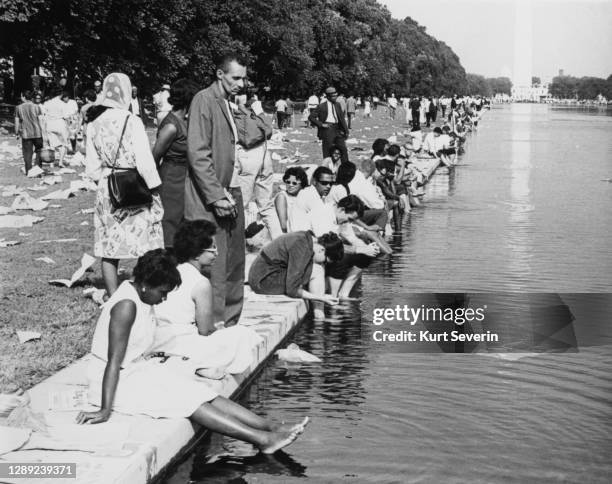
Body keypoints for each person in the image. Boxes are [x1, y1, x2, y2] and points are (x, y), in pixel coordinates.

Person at [77, 249, 307, 454]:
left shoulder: (142, 296)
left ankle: (269, 427)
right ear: (146, 283)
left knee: (198, 390)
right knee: (185, 400)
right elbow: (113, 363)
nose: (164, 298)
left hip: (135, 371)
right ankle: (262, 439)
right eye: (163, 292)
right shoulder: (126, 306)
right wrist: (104, 409)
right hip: (114, 381)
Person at [84, 73, 164, 297]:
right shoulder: (132, 120)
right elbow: (144, 161)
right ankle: (142, 288)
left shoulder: (94, 122)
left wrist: (104, 179)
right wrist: (154, 187)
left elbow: (91, 166)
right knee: (144, 241)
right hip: (133, 185)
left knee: (109, 245)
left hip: (108, 187)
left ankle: (112, 294)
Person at [151, 221, 263, 374]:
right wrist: (217, 329)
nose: (216, 253)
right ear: (197, 254)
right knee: (243, 334)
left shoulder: (171, 271)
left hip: (158, 340)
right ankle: (200, 366)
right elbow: (204, 331)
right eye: (213, 249)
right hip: (182, 343)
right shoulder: (201, 283)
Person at [185, 53, 247, 326]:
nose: (241, 83)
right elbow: (198, 154)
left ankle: (232, 318)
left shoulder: (228, 103)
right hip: (213, 195)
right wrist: (215, 195)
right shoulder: (204, 100)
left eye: (244, 78)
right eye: (236, 78)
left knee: (235, 260)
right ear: (219, 74)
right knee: (216, 260)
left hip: (231, 191)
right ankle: (216, 321)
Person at [249, 231, 342, 319]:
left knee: (315, 269)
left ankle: (319, 315)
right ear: (322, 250)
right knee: (318, 270)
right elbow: (292, 290)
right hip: (263, 281)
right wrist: (322, 298)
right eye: (325, 261)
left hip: (262, 274)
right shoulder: (302, 248)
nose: (322, 264)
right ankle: (319, 316)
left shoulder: (305, 238)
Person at [152, 79, 199, 248]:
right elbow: (154, 157)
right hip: (172, 177)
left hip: (184, 176)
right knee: (171, 221)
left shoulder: (184, 121)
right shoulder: (171, 126)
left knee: (183, 221)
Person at [232, 93, 277, 238]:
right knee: (266, 205)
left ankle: (237, 243)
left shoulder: (232, 110)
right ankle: (278, 238)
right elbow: (269, 130)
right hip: (264, 154)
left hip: (246, 155)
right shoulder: (257, 112)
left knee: (241, 203)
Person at [309, 86, 349, 163]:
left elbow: (341, 118)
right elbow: (311, 117)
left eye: (336, 95)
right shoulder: (321, 106)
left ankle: (345, 168)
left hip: (338, 129)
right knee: (328, 151)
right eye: (333, 96)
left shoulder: (338, 104)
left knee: (343, 149)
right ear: (328, 96)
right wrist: (321, 124)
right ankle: (328, 169)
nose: (335, 97)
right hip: (328, 130)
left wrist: (346, 131)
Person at [14, 90, 43, 175]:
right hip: (37, 132)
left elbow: (17, 122)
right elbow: (41, 121)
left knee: (27, 153)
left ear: (23, 97)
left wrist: (17, 133)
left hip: (26, 134)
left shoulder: (18, 108)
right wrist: (44, 133)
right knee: (39, 151)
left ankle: (29, 171)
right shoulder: (37, 107)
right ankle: (37, 168)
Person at [274, 167, 308, 234]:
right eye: (288, 182)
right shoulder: (282, 197)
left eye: (294, 183)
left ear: (302, 185)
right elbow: (284, 226)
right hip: (287, 235)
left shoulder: (303, 196)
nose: (290, 185)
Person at [43, 89, 71, 167]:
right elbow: (66, 116)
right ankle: (60, 162)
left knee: (52, 144)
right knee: (64, 144)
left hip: (50, 123)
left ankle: (51, 162)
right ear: (61, 94)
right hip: (59, 123)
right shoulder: (62, 104)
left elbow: (44, 114)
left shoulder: (47, 103)